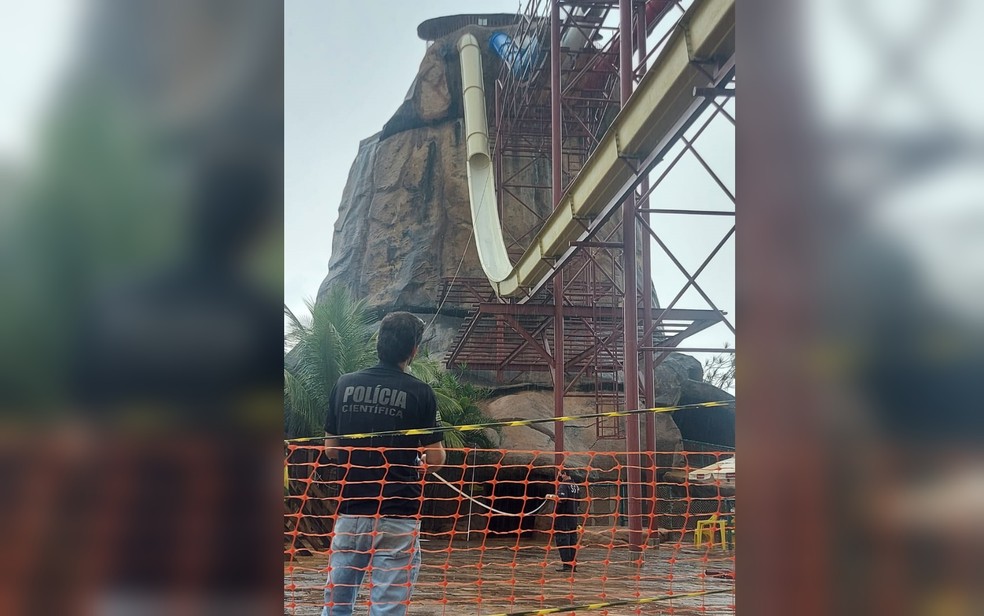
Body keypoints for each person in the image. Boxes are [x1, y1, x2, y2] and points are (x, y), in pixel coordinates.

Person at [322, 312, 446, 616]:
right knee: (388, 608)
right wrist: (417, 460)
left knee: (336, 604)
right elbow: (437, 458)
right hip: (398, 515)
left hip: (352, 512)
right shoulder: (421, 392)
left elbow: (331, 450)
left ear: (378, 343)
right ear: (414, 350)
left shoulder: (344, 384)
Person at [546, 467, 583, 573]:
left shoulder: (564, 485)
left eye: (560, 474)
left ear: (565, 474)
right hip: (573, 517)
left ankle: (567, 565)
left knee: (563, 541)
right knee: (572, 541)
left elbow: (562, 499)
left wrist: (552, 497)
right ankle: (573, 564)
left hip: (563, 517)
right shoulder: (576, 486)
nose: (559, 476)